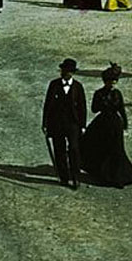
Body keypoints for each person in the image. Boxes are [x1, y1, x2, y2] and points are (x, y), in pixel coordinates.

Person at [81, 64, 132, 188]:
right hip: (102, 123)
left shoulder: (118, 94)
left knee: (117, 151)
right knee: (102, 149)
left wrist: (125, 123)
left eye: (114, 82)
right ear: (105, 82)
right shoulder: (99, 93)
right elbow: (94, 109)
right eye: (110, 82)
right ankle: (103, 175)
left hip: (115, 124)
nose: (112, 84)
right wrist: (103, 104)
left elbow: (121, 109)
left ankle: (118, 178)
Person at [42, 58, 87, 188]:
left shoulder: (78, 87)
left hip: (73, 124)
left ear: (72, 73)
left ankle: (75, 177)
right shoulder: (54, 85)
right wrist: (45, 123)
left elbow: (82, 107)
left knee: (74, 149)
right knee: (59, 150)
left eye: (68, 71)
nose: (65, 73)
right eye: (63, 70)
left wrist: (82, 125)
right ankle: (64, 177)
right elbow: (48, 105)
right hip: (57, 124)